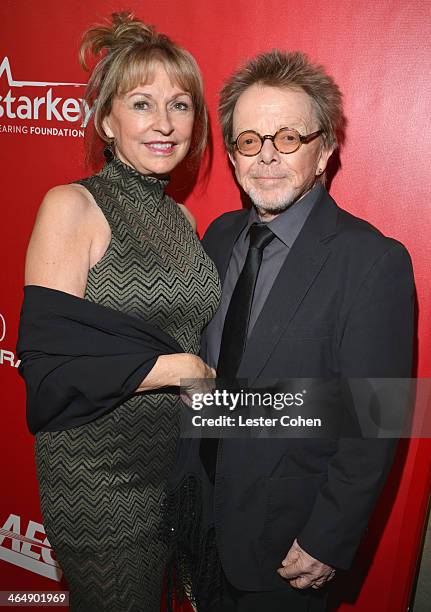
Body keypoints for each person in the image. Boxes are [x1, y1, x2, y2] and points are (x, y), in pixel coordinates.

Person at [168, 50, 415, 612]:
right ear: (232, 155)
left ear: (324, 150)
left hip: (288, 544)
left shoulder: (372, 262)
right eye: (249, 140)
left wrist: (329, 534)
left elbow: (378, 415)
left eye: (287, 138)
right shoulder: (219, 237)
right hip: (199, 519)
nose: (267, 158)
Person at [16, 12, 220, 612]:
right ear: (106, 120)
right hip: (100, 477)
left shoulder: (182, 219)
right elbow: (49, 369)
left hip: (174, 471)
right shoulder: (73, 207)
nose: (164, 123)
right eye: (141, 104)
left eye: (181, 105)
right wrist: (176, 369)